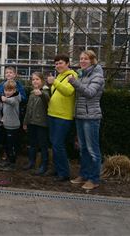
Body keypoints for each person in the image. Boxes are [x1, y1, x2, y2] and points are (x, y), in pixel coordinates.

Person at [68, 50, 105, 190]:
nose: (82, 61)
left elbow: (90, 93)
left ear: (92, 60)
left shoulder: (98, 76)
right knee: (83, 149)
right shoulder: (83, 75)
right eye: (81, 58)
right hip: (80, 116)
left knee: (92, 150)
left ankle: (94, 179)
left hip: (91, 117)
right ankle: (84, 174)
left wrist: (74, 82)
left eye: (85, 59)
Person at [46, 54, 78, 182]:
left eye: (60, 63)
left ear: (67, 63)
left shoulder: (72, 75)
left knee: (58, 144)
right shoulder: (58, 76)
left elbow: (68, 91)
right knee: (54, 144)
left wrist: (55, 82)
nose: (58, 65)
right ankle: (57, 169)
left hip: (63, 116)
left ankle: (64, 173)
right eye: (56, 63)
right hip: (53, 114)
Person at [23, 72, 50, 175]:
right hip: (31, 123)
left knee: (43, 145)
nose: (35, 81)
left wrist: (41, 94)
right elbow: (28, 109)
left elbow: (48, 100)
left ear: (42, 81)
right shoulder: (31, 93)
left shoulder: (45, 91)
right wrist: (25, 122)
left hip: (42, 123)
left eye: (37, 79)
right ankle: (31, 162)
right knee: (32, 144)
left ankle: (44, 165)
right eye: (33, 79)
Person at [0, 80, 22, 171]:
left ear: (14, 90)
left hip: (13, 126)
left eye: (10, 90)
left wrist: (2, 97)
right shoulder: (8, 97)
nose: (7, 92)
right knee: (7, 145)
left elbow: (8, 101)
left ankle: (12, 164)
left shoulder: (14, 99)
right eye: (6, 90)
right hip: (6, 125)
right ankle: (8, 161)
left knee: (12, 146)